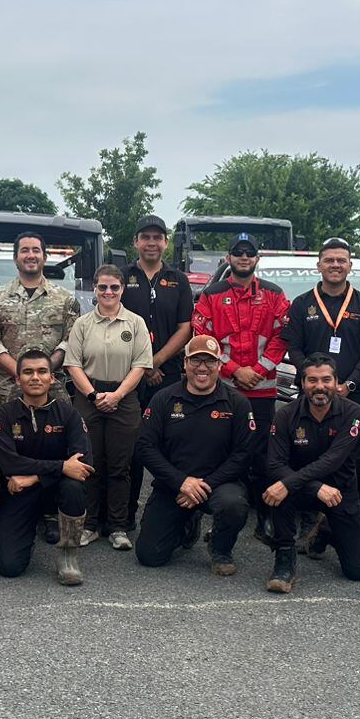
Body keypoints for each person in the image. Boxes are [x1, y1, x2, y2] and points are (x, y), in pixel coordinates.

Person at [191, 233, 289, 536]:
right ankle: (207, 514)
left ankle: (264, 517)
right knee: (215, 451)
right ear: (229, 258)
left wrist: (257, 370)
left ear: (257, 259)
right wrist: (234, 371)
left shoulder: (274, 294)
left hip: (263, 389)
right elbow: (202, 336)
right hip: (224, 389)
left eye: (249, 253)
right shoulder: (211, 294)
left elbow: (282, 336)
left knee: (262, 456)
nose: (244, 257)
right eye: (238, 252)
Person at [280, 237, 360, 512]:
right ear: (319, 265)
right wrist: (312, 380)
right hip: (310, 396)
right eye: (329, 260)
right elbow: (293, 347)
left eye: (341, 260)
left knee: (348, 457)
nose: (335, 265)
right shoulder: (303, 304)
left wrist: (348, 384)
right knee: (304, 452)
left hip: (351, 395)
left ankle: (336, 518)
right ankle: (307, 513)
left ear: (350, 265)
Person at [134, 335, 255, 575]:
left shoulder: (237, 403)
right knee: (149, 556)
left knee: (233, 504)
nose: (202, 368)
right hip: (173, 485)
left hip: (219, 485)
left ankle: (221, 549)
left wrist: (205, 486)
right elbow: (145, 447)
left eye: (209, 362)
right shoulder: (164, 399)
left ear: (220, 365)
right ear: (185, 363)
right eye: (195, 360)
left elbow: (243, 454)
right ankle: (188, 524)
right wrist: (181, 482)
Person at [61, 264, 153, 550]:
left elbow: (141, 365)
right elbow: (72, 364)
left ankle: (117, 525)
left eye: (114, 287)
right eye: (102, 287)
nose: (108, 292)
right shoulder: (83, 324)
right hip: (88, 396)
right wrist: (93, 396)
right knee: (90, 464)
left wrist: (116, 395)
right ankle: (90, 524)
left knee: (120, 466)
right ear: (95, 289)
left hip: (124, 398)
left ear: (122, 289)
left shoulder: (136, 323)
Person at [262, 355, 360, 593]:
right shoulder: (285, 415)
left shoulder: (354, 412)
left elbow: (333, 460)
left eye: (326, 380)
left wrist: (293, 483)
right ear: (302, 383)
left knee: (356, 572)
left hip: (339, 491)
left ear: (336, 382)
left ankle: (325, 530)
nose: (319, 386)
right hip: (300, 489)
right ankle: (284, 559)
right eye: (312, 380)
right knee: (279, 489)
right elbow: (274, 464)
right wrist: (313, 487)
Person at [0, 350, 93, 584]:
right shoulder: (3, 414)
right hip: (19, 492)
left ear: (52, 378)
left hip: (54, 489)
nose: (35, 377)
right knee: (9, 567)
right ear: (18, 379)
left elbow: (83, 463)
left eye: (42, 371)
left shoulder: (69, 414)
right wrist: (60, 467)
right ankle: (28, 530)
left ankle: (68, 554)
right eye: (28, 372)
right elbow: (9, 462)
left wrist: (35, 477)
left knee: (74, 485)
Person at [120, 214, 195, 531]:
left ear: (165, 243)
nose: (151, 242)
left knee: (174, 445)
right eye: (145, 237)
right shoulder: (122, 277)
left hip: (171, 375)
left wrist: (156, 361)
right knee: (133, 448)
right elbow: (113, 320)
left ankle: (181, 516)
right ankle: (124, 516)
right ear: (136, 241)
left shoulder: (178, 280)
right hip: (128, 376)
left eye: (157, 237)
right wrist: (142, 365)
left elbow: (185, 327)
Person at [0, 231, 80, 411]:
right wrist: (22, 373)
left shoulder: (66, 300)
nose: (31, 255)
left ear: (44, 257)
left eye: (36, 250)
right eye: (25, 250)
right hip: (8, 389)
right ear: (15, 258)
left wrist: (44, 372)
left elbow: (71, 340)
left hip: (52, 391)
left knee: (55, 438)